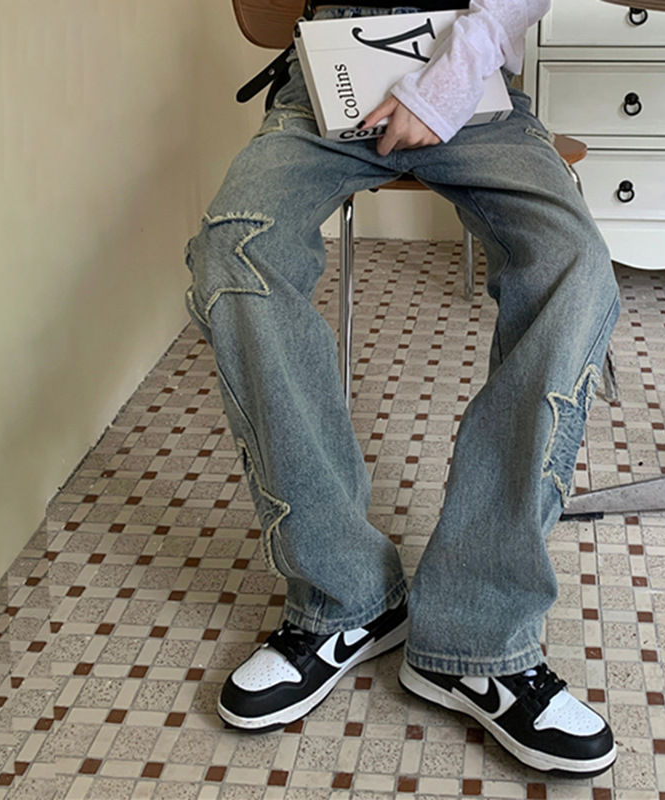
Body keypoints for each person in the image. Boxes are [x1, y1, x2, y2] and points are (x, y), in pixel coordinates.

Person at [184, 0, 620, 778]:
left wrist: (444, 84)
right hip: (326, 76)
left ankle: (477, 636)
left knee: (574, 267)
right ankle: (345, 598)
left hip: (475, 75)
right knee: (236, 253)